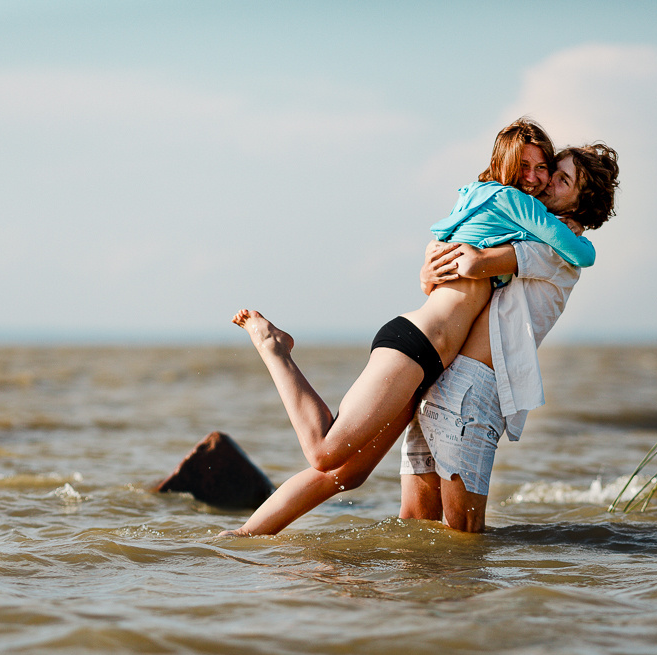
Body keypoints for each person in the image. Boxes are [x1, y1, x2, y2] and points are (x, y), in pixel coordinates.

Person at [222, 119, 592, 537]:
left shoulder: (484, 200)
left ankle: (243, 537)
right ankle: (275, 349)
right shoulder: (518, 205)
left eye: (544, 168)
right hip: (417, 343)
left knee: (346, 476)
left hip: (431, 363)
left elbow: (441, 240)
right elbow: (578, 250)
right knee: (325, 453)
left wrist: (430, 264)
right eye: (525, 165)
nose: (534, 176)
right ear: (501, 164)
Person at [400, 143, 621, 532]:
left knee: (462, 537)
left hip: (471, 389)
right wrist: (427, 269)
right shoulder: (534, 229)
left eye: (562, 180)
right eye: (553, 172)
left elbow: (474, 261)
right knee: (416, 527)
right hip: (441, 376)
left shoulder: (556, 249)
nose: (546, 183)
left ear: (580, 205)